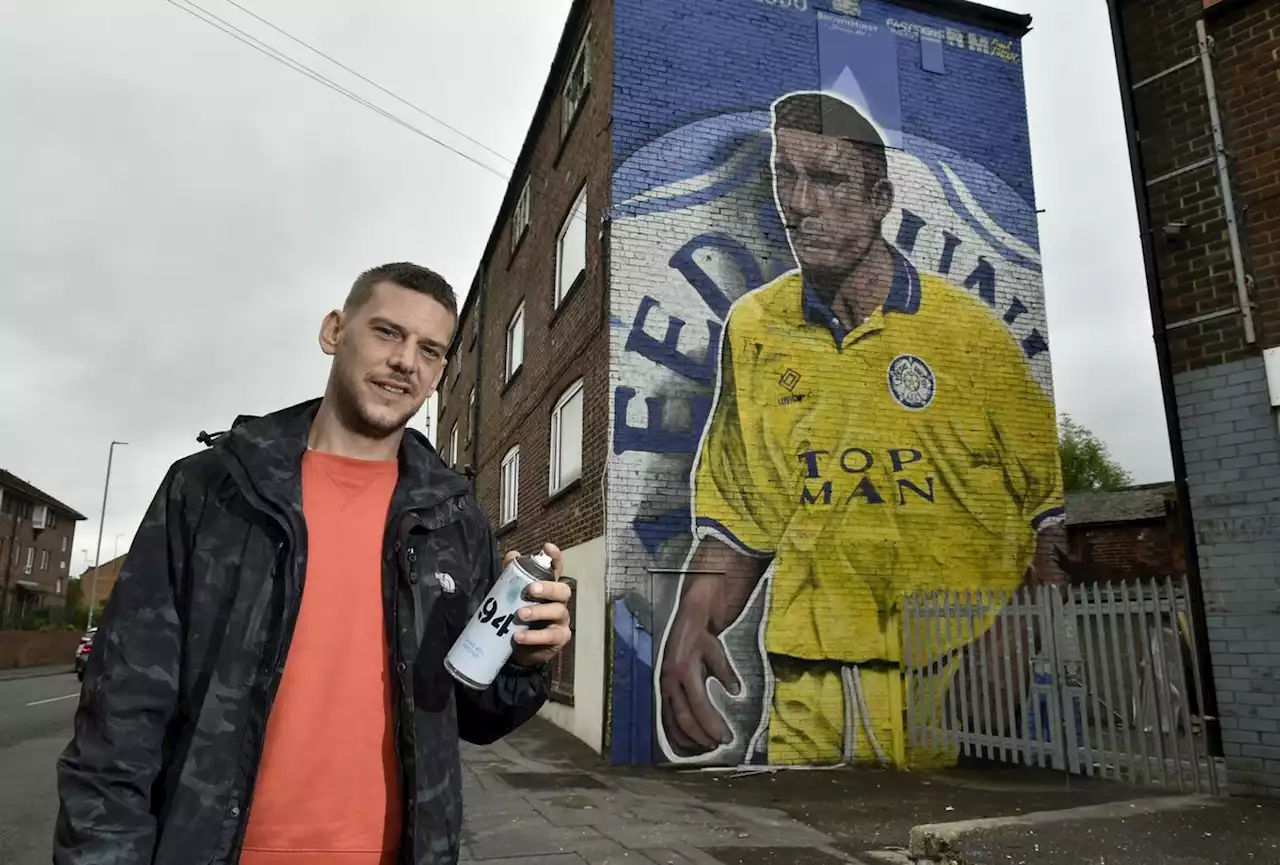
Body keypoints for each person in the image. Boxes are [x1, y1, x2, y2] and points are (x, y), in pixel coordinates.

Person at [54, 263, 573, 865]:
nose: (406, 361)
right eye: (387, 333)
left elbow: (476, 714)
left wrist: (528, 660)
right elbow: (120, 716)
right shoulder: (214, 491)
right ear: (334, 331)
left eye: (430, 350)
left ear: (438, 375)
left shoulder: (453, 518)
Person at [656, 92, 1065, 767]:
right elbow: (744, 518)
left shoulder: (971, 335)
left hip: (955, 680)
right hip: (808, 684)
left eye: (826, 179)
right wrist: (692, 620)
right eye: (785, 175)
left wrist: (1013, 647)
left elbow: (1048, 522)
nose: (799, 202)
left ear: (880, 197)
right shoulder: (756, 328)